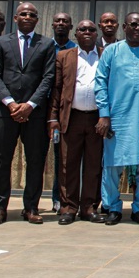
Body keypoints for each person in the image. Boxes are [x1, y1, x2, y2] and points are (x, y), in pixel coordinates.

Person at [95, 13, 139, 225]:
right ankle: (113, 208)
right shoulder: (111, 52)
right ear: (124, 27)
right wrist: (104, 115)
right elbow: (100, 83)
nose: (137, 28)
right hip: (117, 117)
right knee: (112, 164)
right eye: (133, 24)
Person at [0, 2, 56, 225]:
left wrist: (30, 104)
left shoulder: (46, 44)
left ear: (37, 20)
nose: (28, 17)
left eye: (32, 15)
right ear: (15, 18)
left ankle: (31, 208)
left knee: (36, 161)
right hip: (4, 112)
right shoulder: (1, 42)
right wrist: (10, 103)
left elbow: (48, 78)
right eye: (23, 14)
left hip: (34, 113)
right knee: (1, 161)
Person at [49, 20, 104, 225]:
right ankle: (68, 208)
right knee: (67, 164)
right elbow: (57, 88)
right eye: (83, 29)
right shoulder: (64, 56)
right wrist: (53, 117)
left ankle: (89, 207)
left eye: (91, 29)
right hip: (71, 118)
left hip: (96, 119)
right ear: (76, 34)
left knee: (93, 165)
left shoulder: (104, 54)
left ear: (96, 33)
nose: (87, 32)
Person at [49, 12, 77, 214]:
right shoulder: (43, 46)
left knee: (63, 158)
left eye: (65, 21)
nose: (61, 24)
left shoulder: (74, 51)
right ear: (52, 24)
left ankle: (60, 200)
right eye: (58, 21)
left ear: (70, 26)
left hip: (65, 112)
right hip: (43, 108)